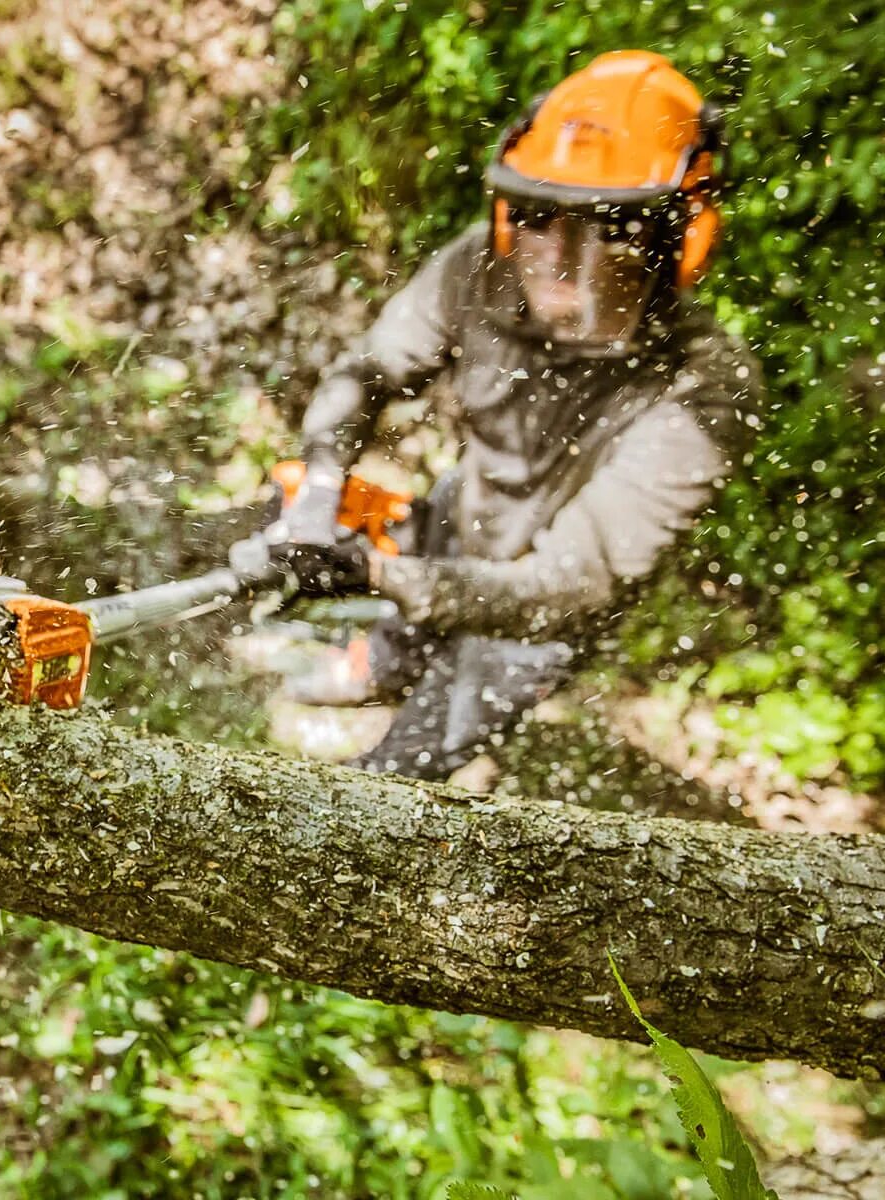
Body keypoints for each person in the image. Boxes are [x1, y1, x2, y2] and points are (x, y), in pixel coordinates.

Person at [249, 50, 762, 781]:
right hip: (470, 514)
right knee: (417, 610)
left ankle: (408, 745)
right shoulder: (479, 269)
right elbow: (366, 372)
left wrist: (380, 574)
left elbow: (566, 584)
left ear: (679, 233)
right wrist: (323, 486)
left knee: (395, 775)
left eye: (605, 225)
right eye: (537, 214)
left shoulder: (706, 388)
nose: (560, 251)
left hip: (547, 606)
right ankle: (381, 664)